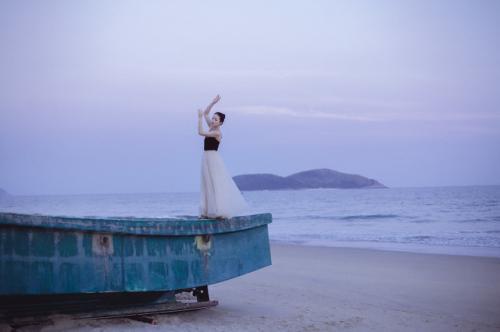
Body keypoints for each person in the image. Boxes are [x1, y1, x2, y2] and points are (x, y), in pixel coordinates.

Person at [197, 95, 249, 219]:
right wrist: (213, 102)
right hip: (206, 157)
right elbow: (206, 113)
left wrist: (199, 119)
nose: (213, 120)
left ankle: (219, 210)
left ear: (220, 122)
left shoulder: (216, 132)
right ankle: (208, 211)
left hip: (213, 158)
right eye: (213, 119)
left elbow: (200, 132)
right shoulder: (212, 127)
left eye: (215, 119)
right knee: (207, 183)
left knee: (215, 183)